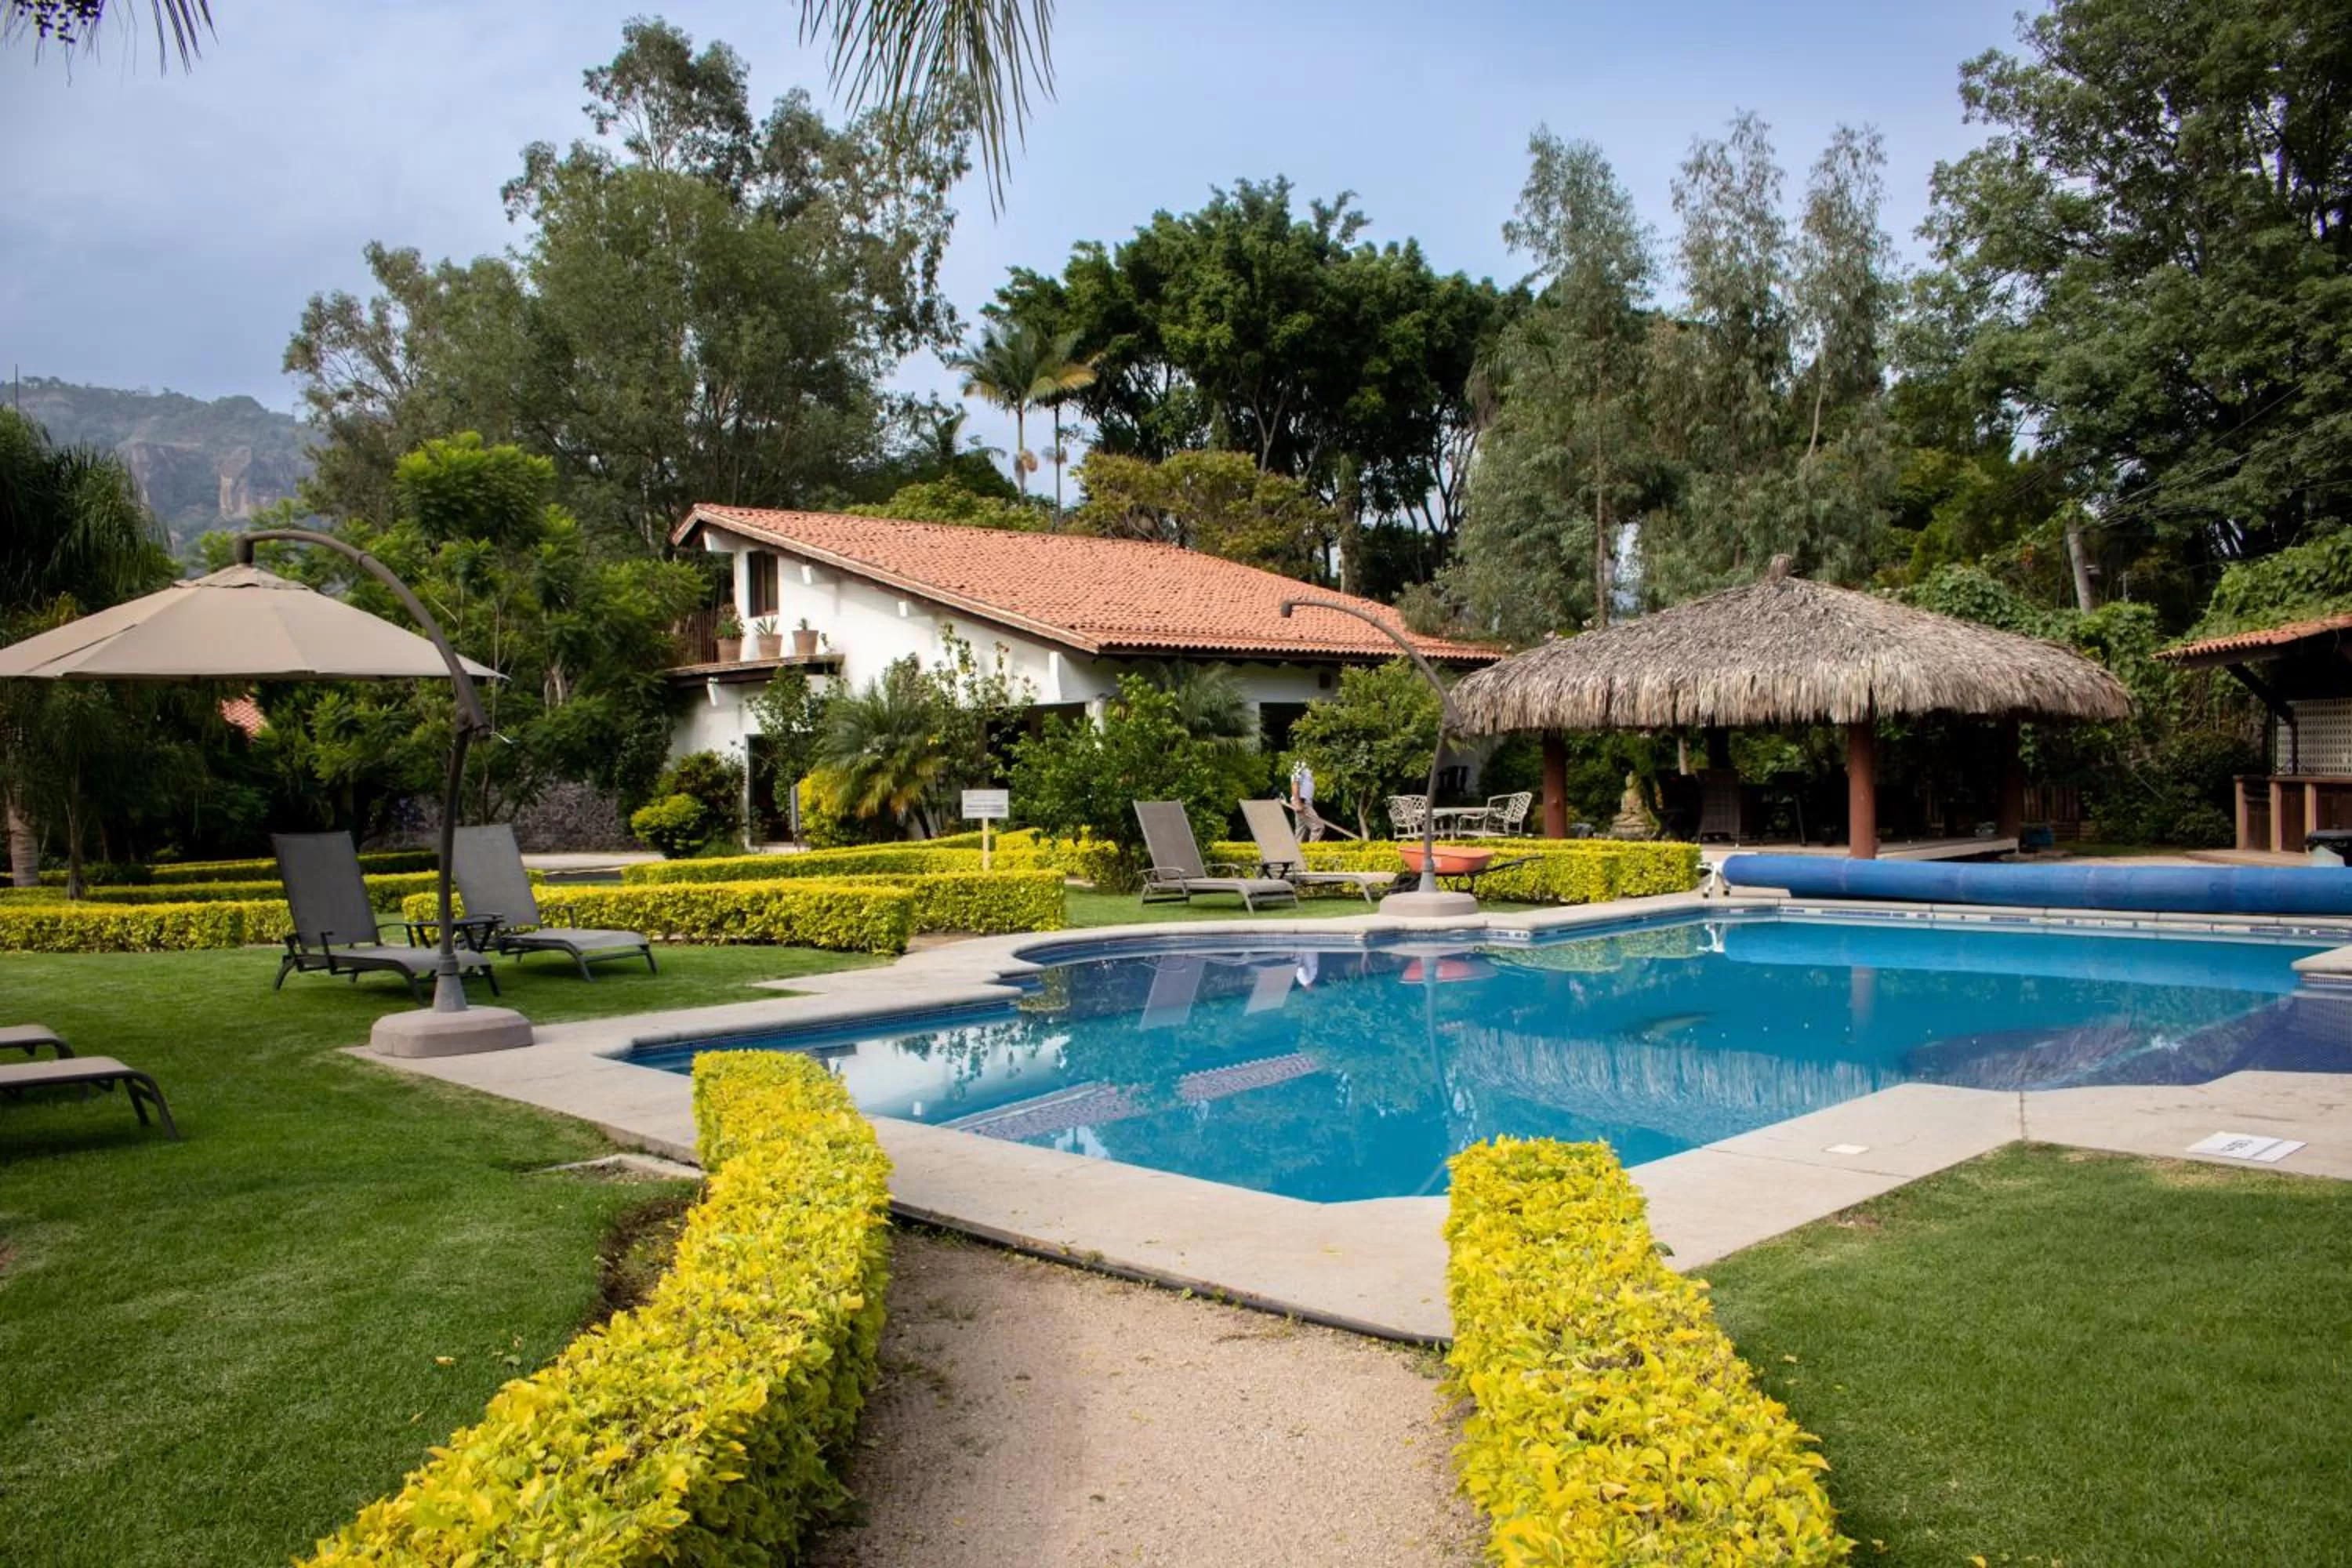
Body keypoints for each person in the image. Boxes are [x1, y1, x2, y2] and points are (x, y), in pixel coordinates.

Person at [1289, 757, 1323, 840]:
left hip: (1305, 803)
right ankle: (1313, 851)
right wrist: (1297, 802)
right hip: (1302, 803)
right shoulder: (1299, 765)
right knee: (1318, 827)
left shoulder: (1308, 769)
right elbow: (1295, 782)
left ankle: (1295, 852)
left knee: (1300, 831)